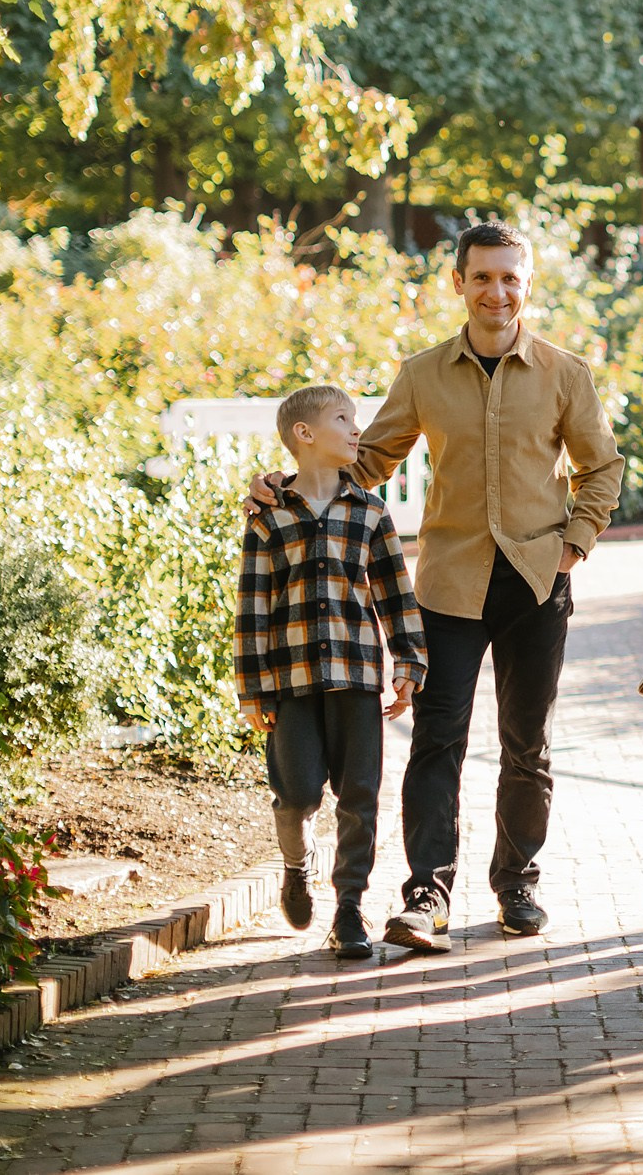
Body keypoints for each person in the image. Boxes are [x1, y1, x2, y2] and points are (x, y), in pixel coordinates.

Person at [248, 221, 623, 952]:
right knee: (436, 740)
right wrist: (286, 485)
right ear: (459, 282)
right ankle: (427, 894)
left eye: (510, 277)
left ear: (527, 283)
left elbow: (601, 467)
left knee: (527, 745)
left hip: (536, 582)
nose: (496, 291)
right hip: (450, 584)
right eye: (482, 277)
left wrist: (573, 547)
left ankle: (517, 885)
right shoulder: (423, 374)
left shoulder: (565, 373)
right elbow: (366, 460)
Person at [234, 384, 427, 961]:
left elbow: (395, 593)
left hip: (356, 674)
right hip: (290, 681)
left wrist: (409, 660)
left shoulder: (370, 511)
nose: (356, 429)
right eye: (343, 419)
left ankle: (348, 909)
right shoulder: (269, 516)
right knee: (295, 794)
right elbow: (252, 607)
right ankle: (297, 866)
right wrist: (253, 689)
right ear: (305, 434)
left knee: (359, 795)